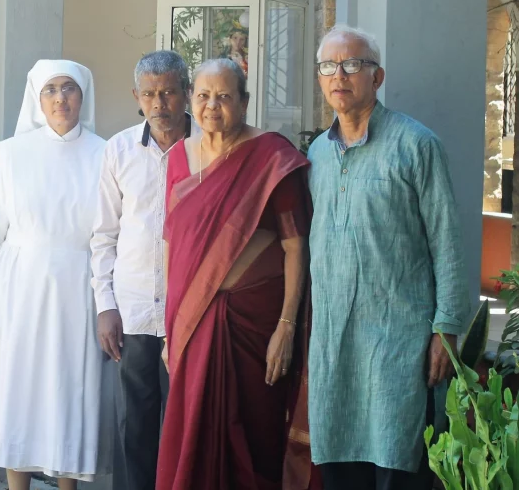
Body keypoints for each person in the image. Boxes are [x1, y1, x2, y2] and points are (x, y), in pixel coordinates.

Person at [307, 25, 469, 490]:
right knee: (339, 463)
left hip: (400, 343)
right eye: (328, 66)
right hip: (335, 343)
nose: (340, 75)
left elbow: (447, 242)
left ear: (377, 78)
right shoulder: (316, 153)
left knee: (397, 461)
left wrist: (446, 328)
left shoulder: (416, 145)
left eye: (353, 64)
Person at [157, 58, 314, 490]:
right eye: (204, 96)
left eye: (224, 96)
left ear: (244, 103)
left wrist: (285, 326)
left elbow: (295, 245)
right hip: (192, 322)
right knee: (193, 433)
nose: (212, 106)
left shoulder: (271, 158)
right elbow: (172, 242)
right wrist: (171, 330)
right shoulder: (178, 160)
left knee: (256, 435)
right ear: (191, 99)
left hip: (256, 325)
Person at [0, 59, 106, 490]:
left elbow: (108, 235)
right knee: (15, 389)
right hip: (16, 288)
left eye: (69, 89)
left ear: (83, 95)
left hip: (78, 288)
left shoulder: (104, 152)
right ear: (37, 99)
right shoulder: (13, 152)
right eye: (51, 90)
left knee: (68, 390)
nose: (61, 98)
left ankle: (67, 486)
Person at [90, 50, 195, 490]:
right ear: (137, 96)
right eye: (150, 94)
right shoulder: (118, 150)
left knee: (184, 427)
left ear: (186, 93)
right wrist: (105, 307)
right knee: (134, 426)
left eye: (169, 92)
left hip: (190, 312)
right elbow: (103, 235)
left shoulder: (206, 149)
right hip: (133, 312)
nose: (160, 104)